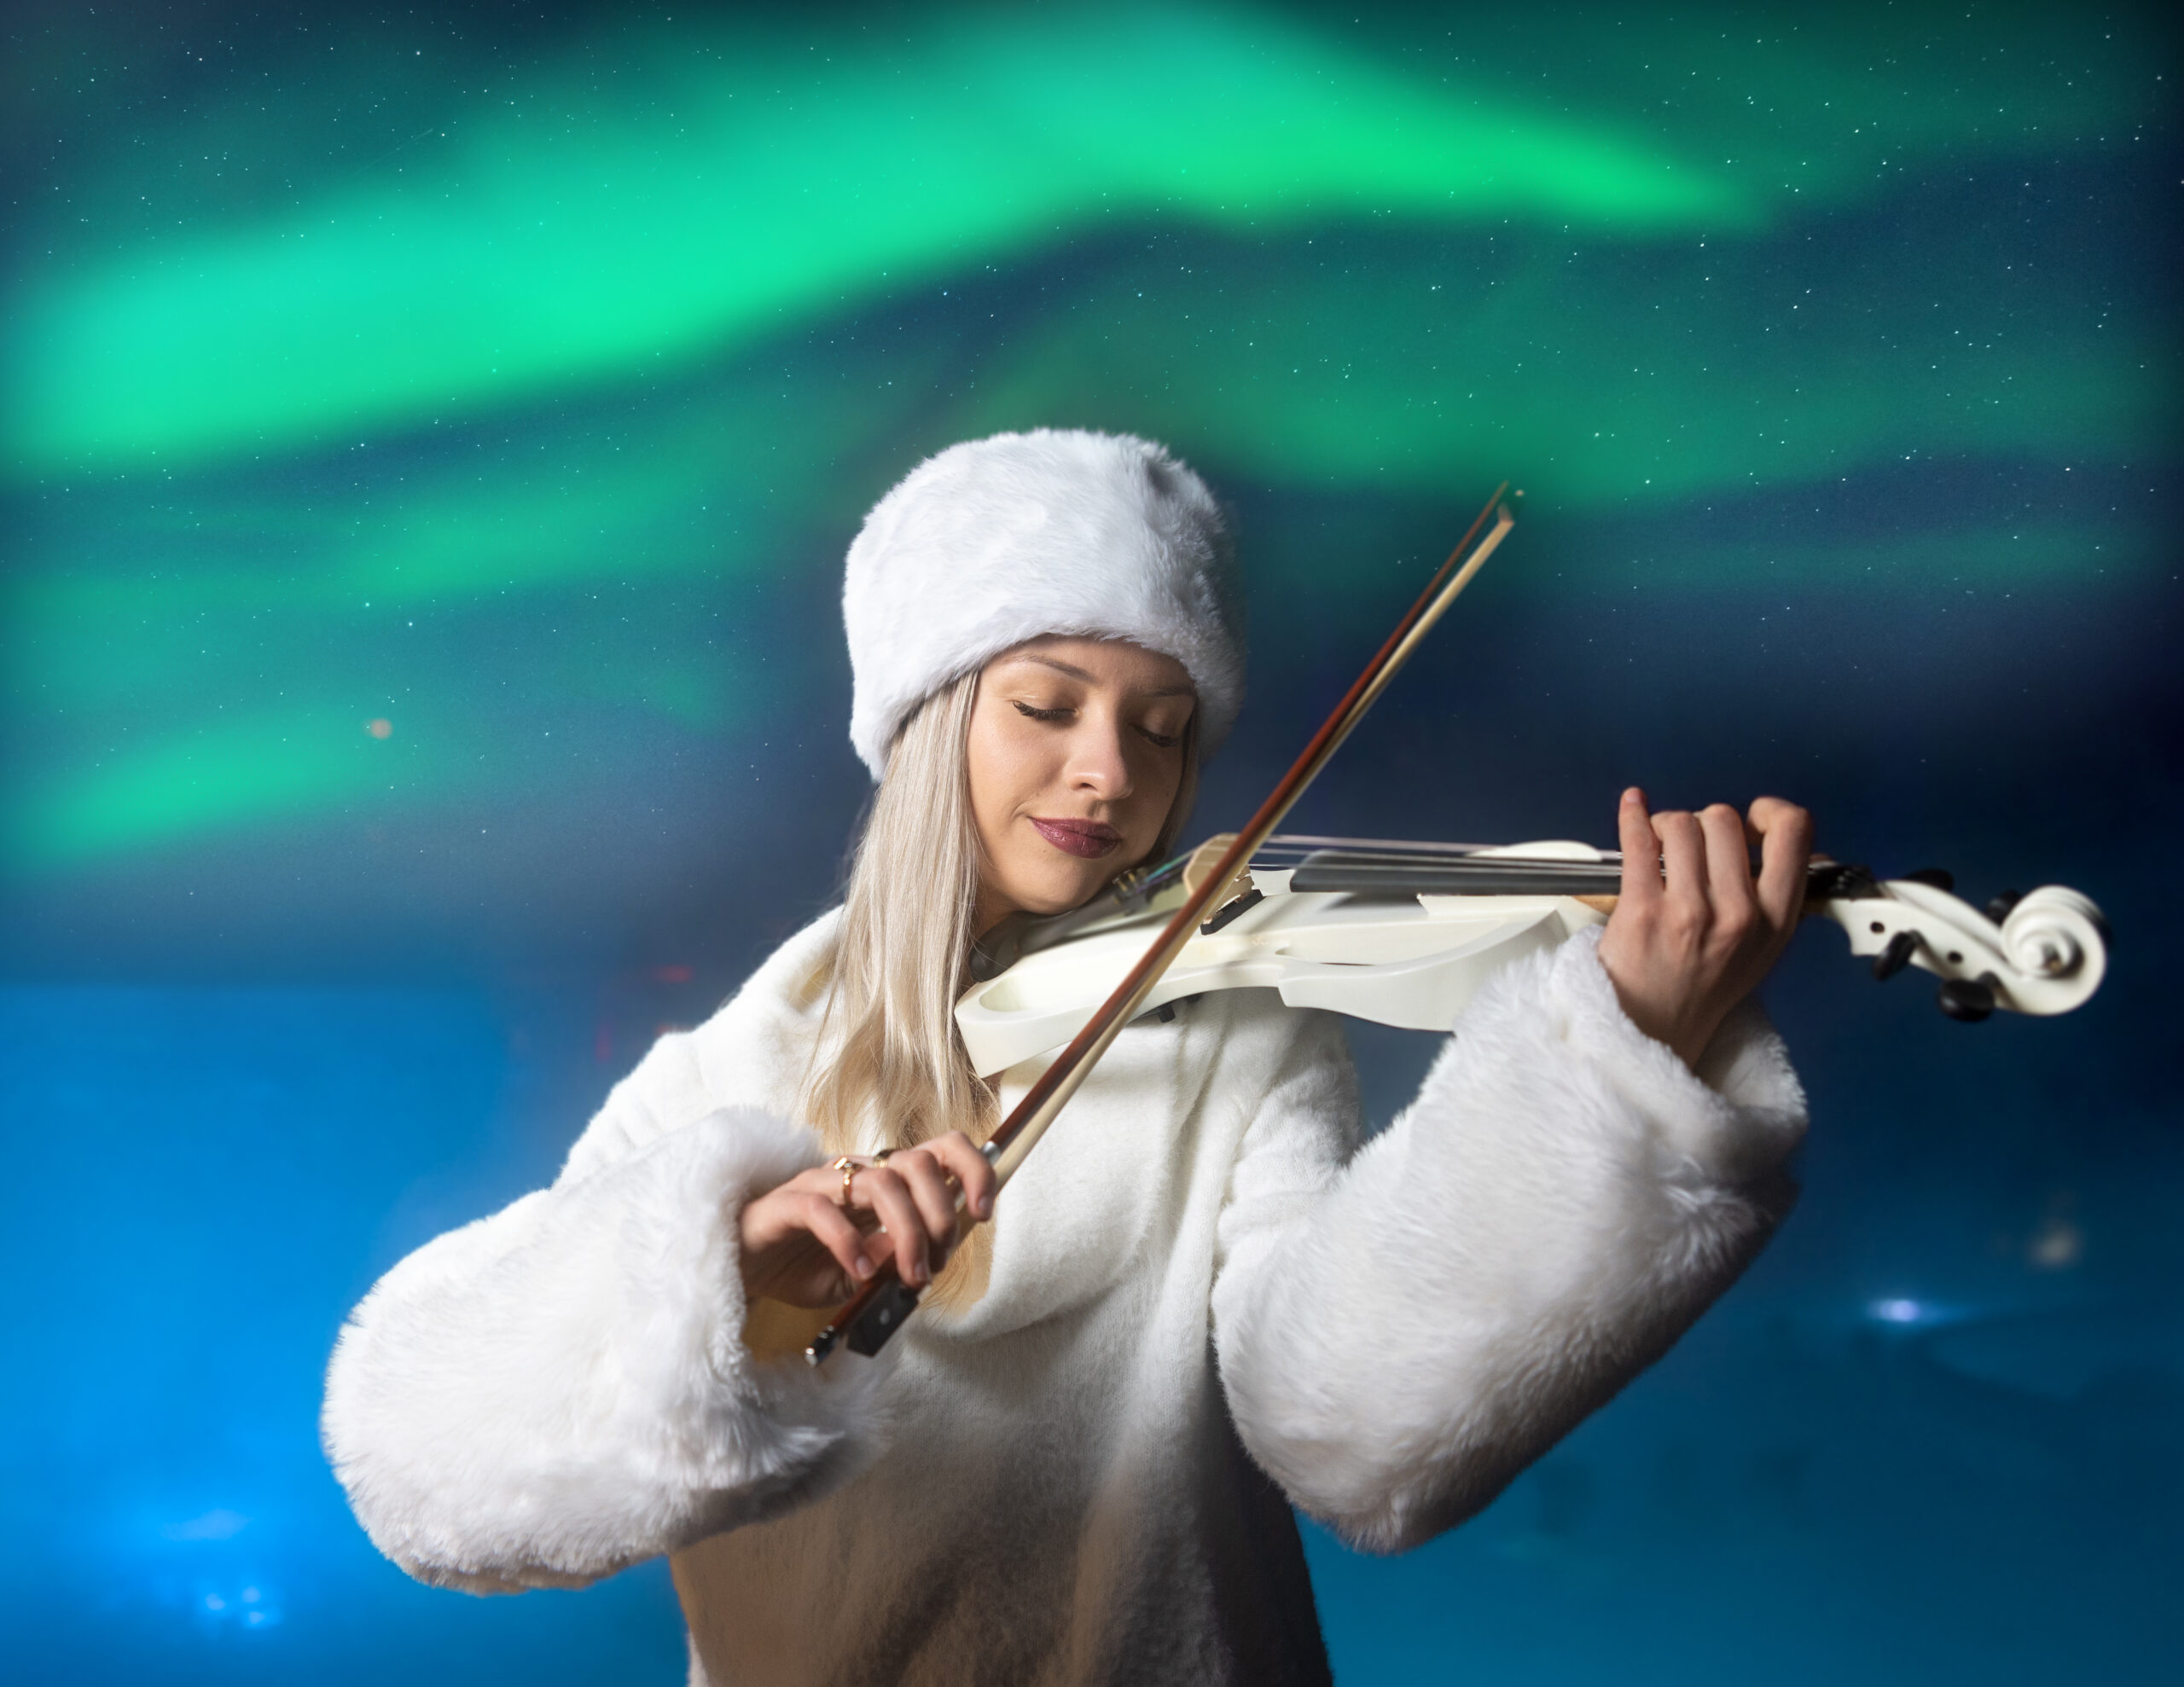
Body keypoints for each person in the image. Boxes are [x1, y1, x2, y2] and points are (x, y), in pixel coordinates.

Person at [323, 429, 1814, 1685]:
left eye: (1162, 730)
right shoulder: (718, 1083)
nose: (1109, 770)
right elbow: (431, 1477)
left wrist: (1613, 1055)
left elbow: (1357, 1433)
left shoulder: (1240, 1037)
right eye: (1046, 705)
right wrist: (717, 1273)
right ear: (926, 723)